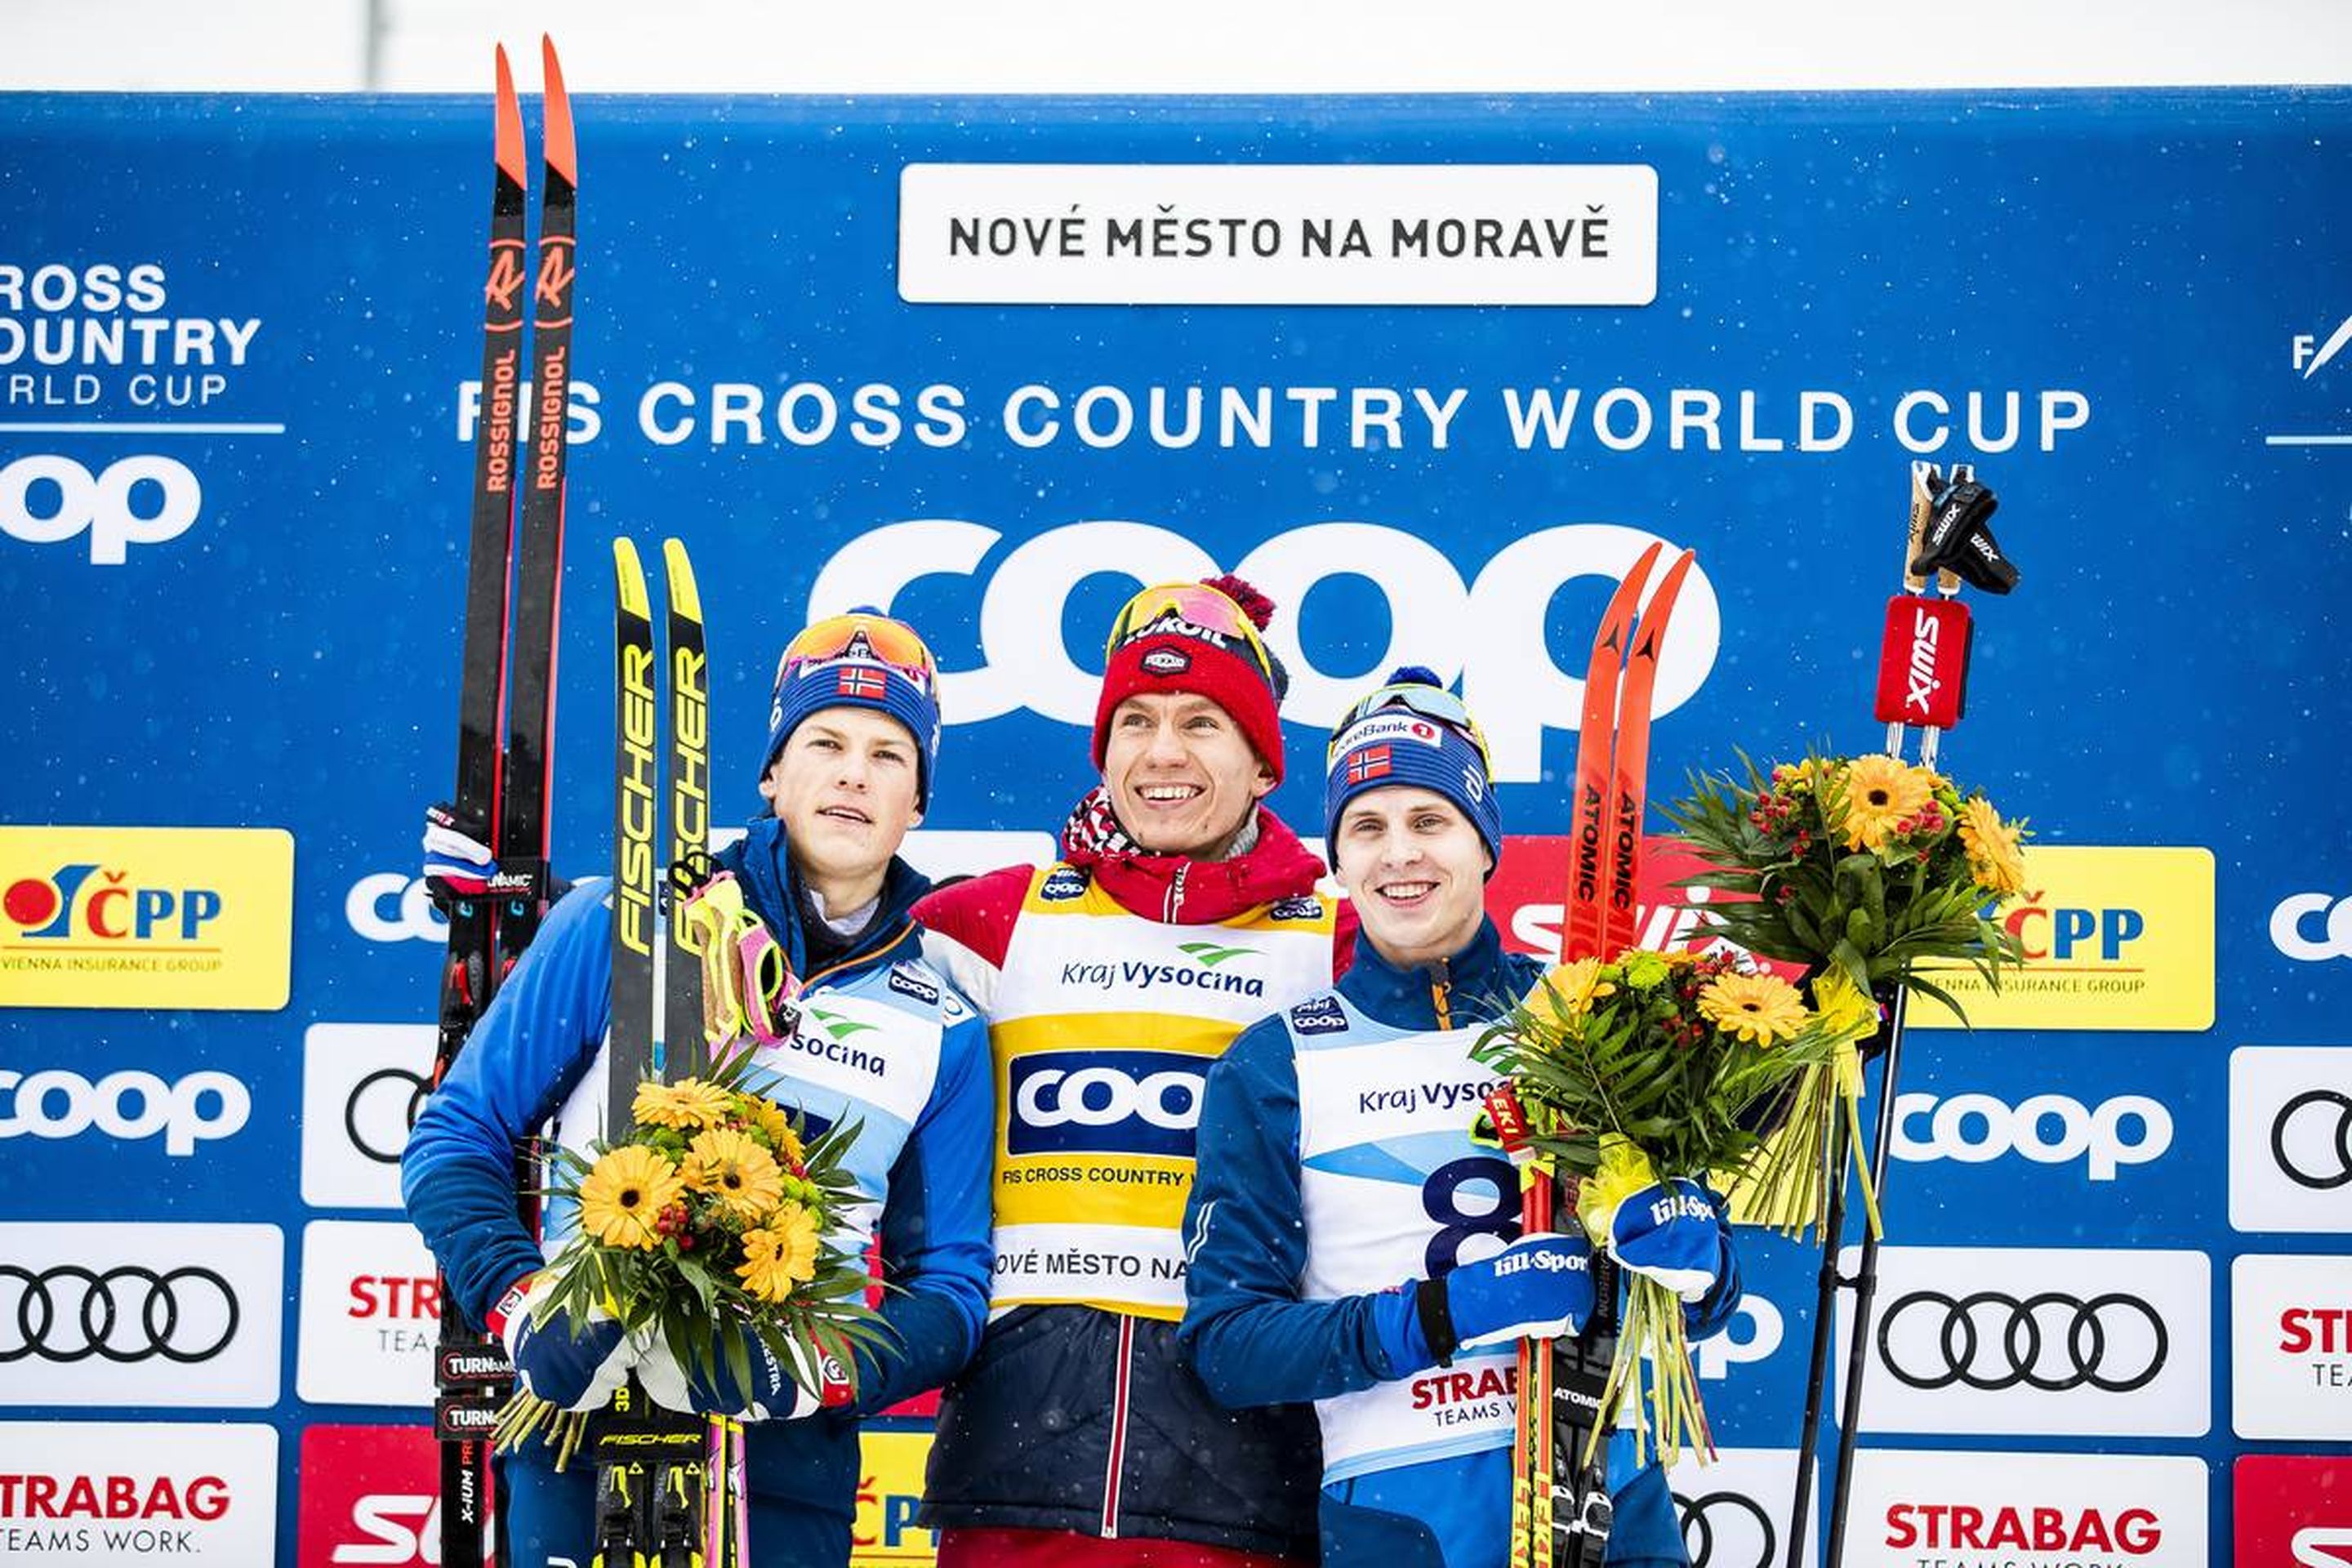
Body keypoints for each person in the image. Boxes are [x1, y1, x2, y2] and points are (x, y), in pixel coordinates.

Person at [402, 611, 994, 1568]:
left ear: (917, 801)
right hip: (581, 1422)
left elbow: (954, 1291)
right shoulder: (622, 924)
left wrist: (811, 1370)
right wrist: (525, 1307)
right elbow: (456, 1140)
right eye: (826, 742)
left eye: (889, 755)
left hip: (789, 1459)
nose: (854, 772)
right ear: (773, 774)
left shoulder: (946, 1018)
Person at [1177, 668, 1743, 1568]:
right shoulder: (1277, 1061)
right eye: (1367, 827)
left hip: (1609, 1492)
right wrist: (1446, 1314)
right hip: (1407, 1516)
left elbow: (1705, 1304)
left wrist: (1698, 1258)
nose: (1399, 854)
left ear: (1485, 841)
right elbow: (1228, 1345)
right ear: (1338, 858)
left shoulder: (1592, 1013)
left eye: (1429, 821)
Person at [914, 576, 1356, 1567]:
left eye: (1203, 722)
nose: (1164, 753)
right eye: (1137, 722)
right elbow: (821, 956)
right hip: (1014, 1489)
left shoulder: (1339, 941)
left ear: (1262, 765)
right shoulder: (989, 920)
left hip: (1242, 1492)